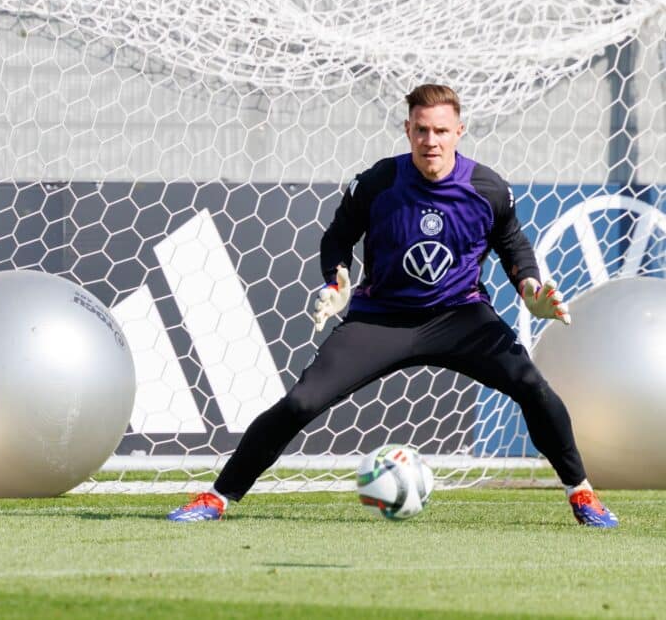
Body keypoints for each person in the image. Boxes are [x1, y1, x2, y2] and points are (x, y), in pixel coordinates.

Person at [168, 84, 618, 528]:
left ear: (459, 131)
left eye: (441, 131)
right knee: (301, 402)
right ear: (408, 130)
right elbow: (337, 238)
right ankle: (218, 495)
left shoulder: (488, 188)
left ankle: (581, 492)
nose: (431, 141)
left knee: (533, 388)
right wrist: (337, 279)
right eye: (421, 130)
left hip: (459, 317)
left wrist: (530, 287)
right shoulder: (378, 182)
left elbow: (512, 243)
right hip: (381, 319)